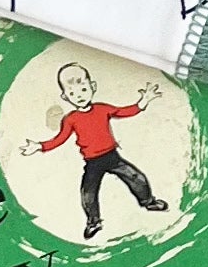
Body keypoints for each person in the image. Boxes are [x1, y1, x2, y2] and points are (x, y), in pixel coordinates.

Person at [38, 64, 167, 239]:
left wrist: (143, 101)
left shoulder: (102, 109)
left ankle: (149, 202)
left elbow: (123, 112)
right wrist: (40, 146)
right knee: (88, 193)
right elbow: (60, 138)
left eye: (83, 89)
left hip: (112, 157)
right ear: (65, 96)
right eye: (72, 93)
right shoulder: (71, 119)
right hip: (93, 163)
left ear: (93, 87)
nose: (79, 96)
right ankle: (94, 222)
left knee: (137, 178)